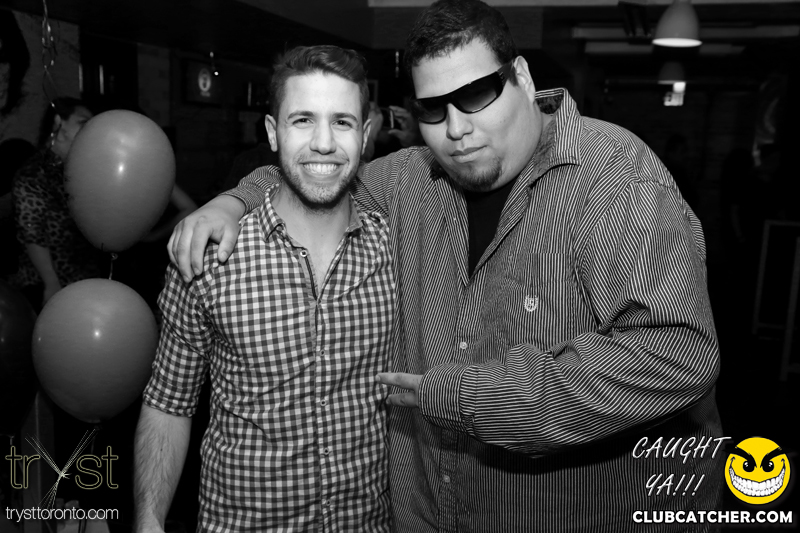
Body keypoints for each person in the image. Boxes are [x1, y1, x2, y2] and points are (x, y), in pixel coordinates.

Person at [168, 1, 723, 530]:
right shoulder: (411, 179)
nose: (456, 129)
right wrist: (234, 200)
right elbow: (318, 170)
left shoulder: (614, 176)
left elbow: (678, 354)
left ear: (522, 77)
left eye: (476, 95)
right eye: (433, 109)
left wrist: (468, 397)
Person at [133, 45, 394, 533]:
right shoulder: (212, 256)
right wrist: (148, 522)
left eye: (341, 122)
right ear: (273, 133)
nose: (323, 143)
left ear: (364, 134)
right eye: (302, 120)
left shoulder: (393, 248)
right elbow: (169, 403)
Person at [10, 97, 103, 310]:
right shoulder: (34, 173)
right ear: (59, 123)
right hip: (49, 286)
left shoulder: (79, 170)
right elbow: (31, 232)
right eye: (83, 122)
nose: (91, 130)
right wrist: (51, 283)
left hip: (85, 281)